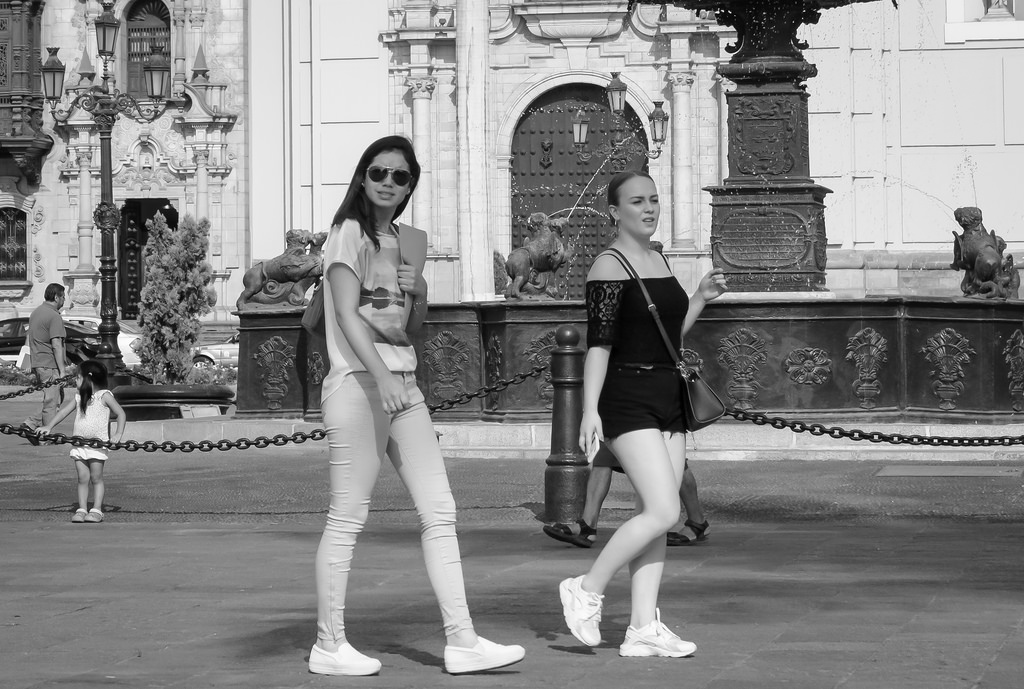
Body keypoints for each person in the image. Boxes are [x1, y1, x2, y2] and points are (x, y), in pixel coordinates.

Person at [309, 135, 525, 677]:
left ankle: (463, 640)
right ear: (363, 176)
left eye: (400, 176)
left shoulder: (405, 241)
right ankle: (328, 644)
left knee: (440, 511)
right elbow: (345, 313)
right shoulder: (348, 232)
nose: (388, 182)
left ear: (410, 187)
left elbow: (407, 327)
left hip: (403, 385)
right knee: (347, 517)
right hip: (358, 384)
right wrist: (381, 376)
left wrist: (421, 291)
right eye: (378, 172)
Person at [559, 170, 726, 659]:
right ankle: (586, 587)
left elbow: (668, 337)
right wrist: (589, 410)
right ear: (615, 212)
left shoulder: (658, 257)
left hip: (667, 393)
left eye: (653, 199)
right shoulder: (607, 266)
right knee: (665, 511)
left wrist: (699, 298)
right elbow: (599, 346)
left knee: (653, 515)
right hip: (626, 396)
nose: (649, 208)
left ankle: (642, 628)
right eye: (637, 201)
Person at [543, 444, 709, 548]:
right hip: (624, 402)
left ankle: (697, 521)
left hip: (657, 403)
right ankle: (587, 525)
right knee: (604, 454)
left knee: (672, 458)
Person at [37, 360, 126, 523]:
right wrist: (49, 426)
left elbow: (120, 413)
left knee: (96, 477)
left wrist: (118, 434)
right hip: (79, 445)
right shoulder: (79, 397)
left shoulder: (104, 396)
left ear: (89, 378)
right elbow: (63, 412)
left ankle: (97, 510)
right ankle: (82, 509)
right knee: (82, 478)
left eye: (78, 377)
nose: (75, 380)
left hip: (97, 446)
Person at [20, 283, 68, 445]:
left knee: (54, 399)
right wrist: (62, 370)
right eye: (63, 297)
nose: (64, 300)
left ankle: (30, 425)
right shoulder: (53, 316)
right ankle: (44, 438)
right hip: (49, 363)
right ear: (56, 297)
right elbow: (56, 344)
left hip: (39, 362)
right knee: (52, 402)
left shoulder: (36, 312)